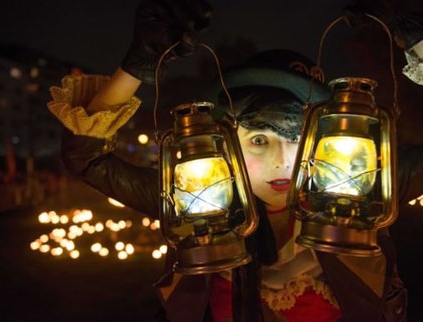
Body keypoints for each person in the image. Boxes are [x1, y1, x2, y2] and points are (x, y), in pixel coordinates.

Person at [47, 1, 423, 321]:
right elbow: (86, 157)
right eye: (260, 139)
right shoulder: (195, 202)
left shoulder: (364, 198)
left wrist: (419, 42)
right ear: (226, 142)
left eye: (297, 139)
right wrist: (138, 65)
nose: (283, 161)